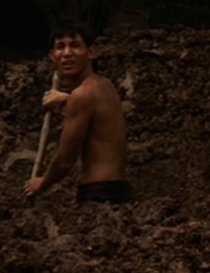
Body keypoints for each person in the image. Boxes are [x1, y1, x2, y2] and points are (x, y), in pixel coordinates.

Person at [24, 22, 133, 204]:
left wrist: (42, 183)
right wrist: (66, 99)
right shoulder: (105, 85)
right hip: (120, 191)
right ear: (52, 56)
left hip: (99, 194)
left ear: (91, 52)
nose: (67, 53)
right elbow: (96, 115)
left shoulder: (81, 96)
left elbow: (65, 161)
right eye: (60, 47)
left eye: (75, 45)